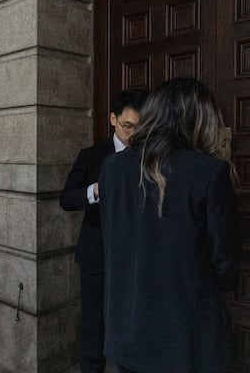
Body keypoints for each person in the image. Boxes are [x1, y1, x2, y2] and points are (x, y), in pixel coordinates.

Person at [99, 78, 239, 372]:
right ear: (201, 118)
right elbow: (225, 265)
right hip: (184, 338)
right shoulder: (209, 172)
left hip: (125, 331)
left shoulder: (113, 167)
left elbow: (115, 242)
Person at [59, 89, 147, 373]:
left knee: (138, 325)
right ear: (113, 119)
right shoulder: (91, 156)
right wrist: (96, 190)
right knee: (93, 326)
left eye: (140, 127)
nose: (133, 134)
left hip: (139, 258)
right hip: (98, 256)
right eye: (127, 126)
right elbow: (67, 198)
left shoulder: (152, 156)